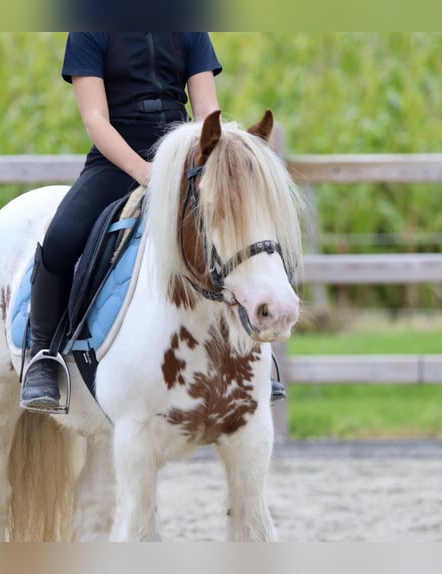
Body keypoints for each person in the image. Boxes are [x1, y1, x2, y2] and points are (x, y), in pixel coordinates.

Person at [20, 32, 286, 411]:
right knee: (62, 237)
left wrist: (210, 162)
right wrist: (144, 172)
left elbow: (209, 113)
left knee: (230, 234)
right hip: (116, 157)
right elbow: (96, 119)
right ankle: (43, 357)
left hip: (183, 153)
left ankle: (251, 356)